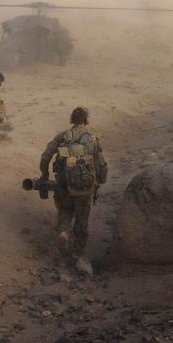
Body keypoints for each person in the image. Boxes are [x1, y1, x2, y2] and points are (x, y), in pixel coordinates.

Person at [40, 107, 107, 273]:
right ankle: (79, 255)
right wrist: (99, 180)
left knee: (65, 211)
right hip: (84, 187)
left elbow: (46, 156)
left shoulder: (62, 136)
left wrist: (45, 172)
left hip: (63, 184)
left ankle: (63, 231)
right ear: (86, 121)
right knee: (82, 221)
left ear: (71, 120)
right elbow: (100, 164)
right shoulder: (92, 138)